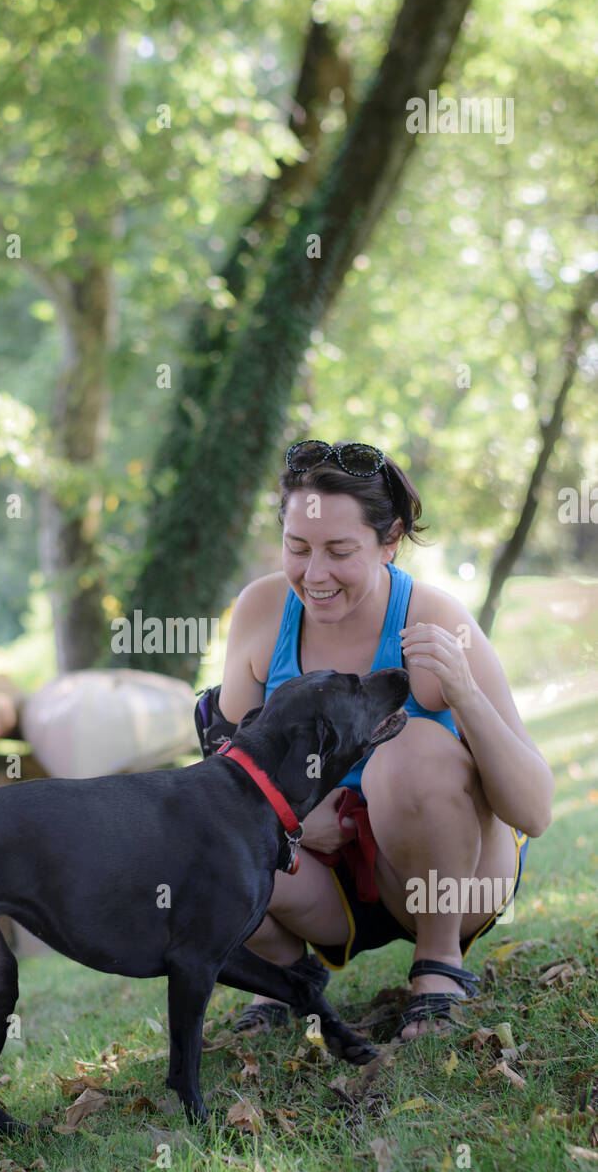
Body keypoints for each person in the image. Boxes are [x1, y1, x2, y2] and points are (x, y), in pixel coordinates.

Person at [215, 439, 553, 1040]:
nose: (314, 575)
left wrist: (465, 696)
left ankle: (438, 966)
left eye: (340, 551)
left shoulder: (436, 619)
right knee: (221, 830)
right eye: (298, 548)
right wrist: (287, 822)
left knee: (409, 752)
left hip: (448, 874)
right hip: (320, 878)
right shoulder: (262, 610)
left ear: (389, 541)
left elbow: (535, 810)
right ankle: (287, 978)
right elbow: (229, 776)